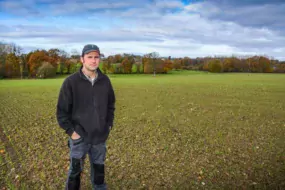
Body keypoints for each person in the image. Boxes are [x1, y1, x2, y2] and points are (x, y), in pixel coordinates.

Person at [56, 44, 115, 190]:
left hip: (99, 137)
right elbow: (62, 112)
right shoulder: (71, 82)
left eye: (96, 57)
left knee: (99, 170)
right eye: (90, 57)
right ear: (82, 59)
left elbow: (110, 106)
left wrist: (108, 126)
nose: (94, 61)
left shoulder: (105, 81)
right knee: (75, 171)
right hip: (79, 137)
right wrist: (72, 132)